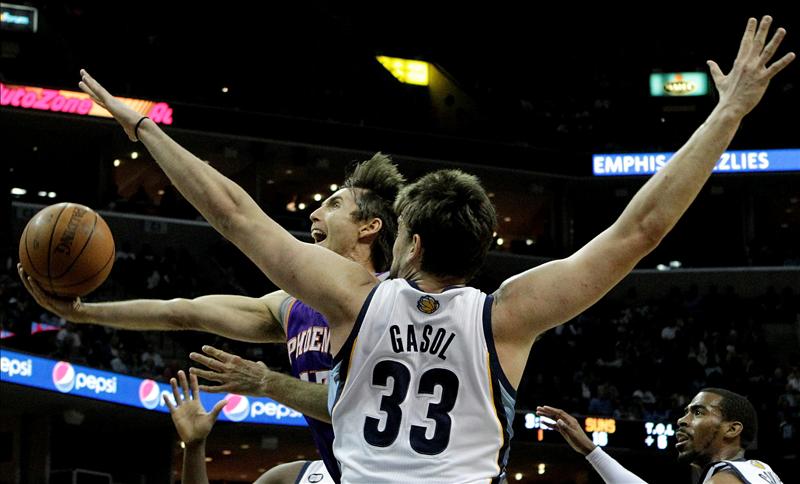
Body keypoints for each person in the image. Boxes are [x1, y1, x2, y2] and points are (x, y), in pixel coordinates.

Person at [76, 15, 794, 483]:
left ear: (406, 239)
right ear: (484, 244)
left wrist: (143, 128)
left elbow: (233, 212)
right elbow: (642, 230)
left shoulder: (353, 296)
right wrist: (728, 110)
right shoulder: (507, 317)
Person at [18, 154, 405, 484]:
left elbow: (362, 404)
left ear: (370, 227)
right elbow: (180, 311)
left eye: (334, 205)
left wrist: (265, 382)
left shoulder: (394, 300)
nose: (314, 211)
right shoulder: (291, 308)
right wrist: (82, 312)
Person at [537, 388, 785, 483]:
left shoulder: (724, 480)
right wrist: (591, 451)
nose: (681, 420)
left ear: (732, 429)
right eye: (685, 412)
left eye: (698, 412)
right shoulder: (758, 469)